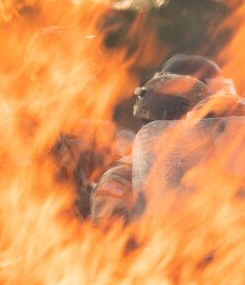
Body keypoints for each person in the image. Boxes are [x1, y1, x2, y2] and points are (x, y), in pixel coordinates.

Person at [90, 71, 211, 223]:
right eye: (196, 123)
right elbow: (109, 234)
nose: (204, 133)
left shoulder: (201, 172)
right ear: (168, 126)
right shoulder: (125, 176)